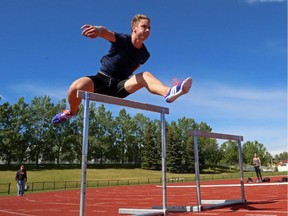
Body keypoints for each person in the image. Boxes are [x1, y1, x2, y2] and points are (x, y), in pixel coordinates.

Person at [52, 14, 192, 124]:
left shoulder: (145, 54)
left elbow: (134, 69)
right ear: (134, 27)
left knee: (145, 75)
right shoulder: (122, 39)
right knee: (75, 88)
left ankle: (169, 92)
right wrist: (97, 30)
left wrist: (131, 81)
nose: (148, 30)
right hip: (102, 79)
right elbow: (105, 32)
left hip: (120, 86)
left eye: (149, 28)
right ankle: (71, 112)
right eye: (144, 27)